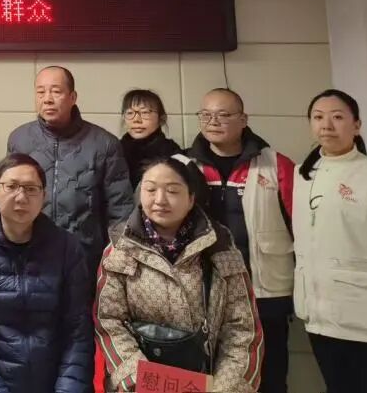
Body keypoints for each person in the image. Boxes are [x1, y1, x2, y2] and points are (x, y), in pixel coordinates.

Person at [95, 156, 263, 392]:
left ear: (191, 198)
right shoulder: (119, 248)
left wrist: (224, 388)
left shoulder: (219, 245)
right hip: (142, 386)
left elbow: (242, 328)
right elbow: (108, 322)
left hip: (208, 382)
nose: (160, 200)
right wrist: (141, 382)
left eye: (172, 191)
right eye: (150, 190)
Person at [293, 89, 367, 392]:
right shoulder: (302, 176)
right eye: (318, 117)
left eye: (337, 117)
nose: (326, 125)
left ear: (356, 125)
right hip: (322, 320)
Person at [0, 153, 93, 392]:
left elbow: (78, 330)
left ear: (44, 196)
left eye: (31, 189)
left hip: (52, 380)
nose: (21, 197)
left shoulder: (67, 247)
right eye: (12, 186)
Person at [182, 87, 294, 393]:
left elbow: (301, 230)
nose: (213, 121)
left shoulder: (275, 164)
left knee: (270, 376)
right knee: (210, 378)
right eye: (206, 115)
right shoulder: (182, 166)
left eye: (223, 114)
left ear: (243, 119)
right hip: (202, 294)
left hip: (265, 293)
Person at [7, 65, 133, 275]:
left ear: (73, 97)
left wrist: (118, 261)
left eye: (56, 91)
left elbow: (120, 208)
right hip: (28, 254)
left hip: (85, 258)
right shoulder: (19, 139)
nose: (47, 99)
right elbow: (8, 199)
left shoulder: (105, 144)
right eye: (40, 92)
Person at [119, 89, 180, 189]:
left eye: (145, 112)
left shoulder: (171, 151)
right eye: (130, 113)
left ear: (161, 118)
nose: (136, 119)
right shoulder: (115, 150)